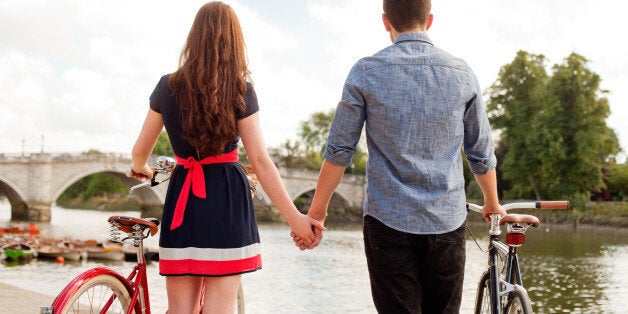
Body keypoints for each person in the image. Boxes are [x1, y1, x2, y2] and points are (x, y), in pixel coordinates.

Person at [293, 0, 506, 313]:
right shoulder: (462, 74)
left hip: (387, 221)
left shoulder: (365, 72)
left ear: (385, 21)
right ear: (429, 20)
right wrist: (491, 202)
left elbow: (340, 151)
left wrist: (317, 214)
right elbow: (480, 151)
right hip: (445, 221)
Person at [130, 2, 324, 313]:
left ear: (193, 38)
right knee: (221, 308)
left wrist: (141, 168)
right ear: (234, 41)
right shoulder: (240, 89)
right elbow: (260, 159)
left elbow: (140, 152)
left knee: (180, 309)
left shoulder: (167, 86)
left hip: (184, 202)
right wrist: (296, 219)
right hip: (227, 201)